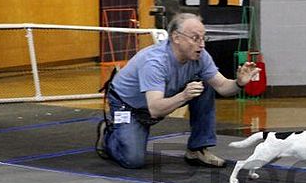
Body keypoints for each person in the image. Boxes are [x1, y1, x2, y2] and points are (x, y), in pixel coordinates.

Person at [95, 13, 260, 169]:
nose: (201, 44)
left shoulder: (200, 56)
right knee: (133, 160)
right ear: (176, 37)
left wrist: (239, 83)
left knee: (204, 86)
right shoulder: (155, 62)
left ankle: (197, 149)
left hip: (161, 99)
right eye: (195, 38)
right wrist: (184, 95)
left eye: (203, 38)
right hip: (128, 106)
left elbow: (223, 86)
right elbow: (155, 110)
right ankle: (109, 135)